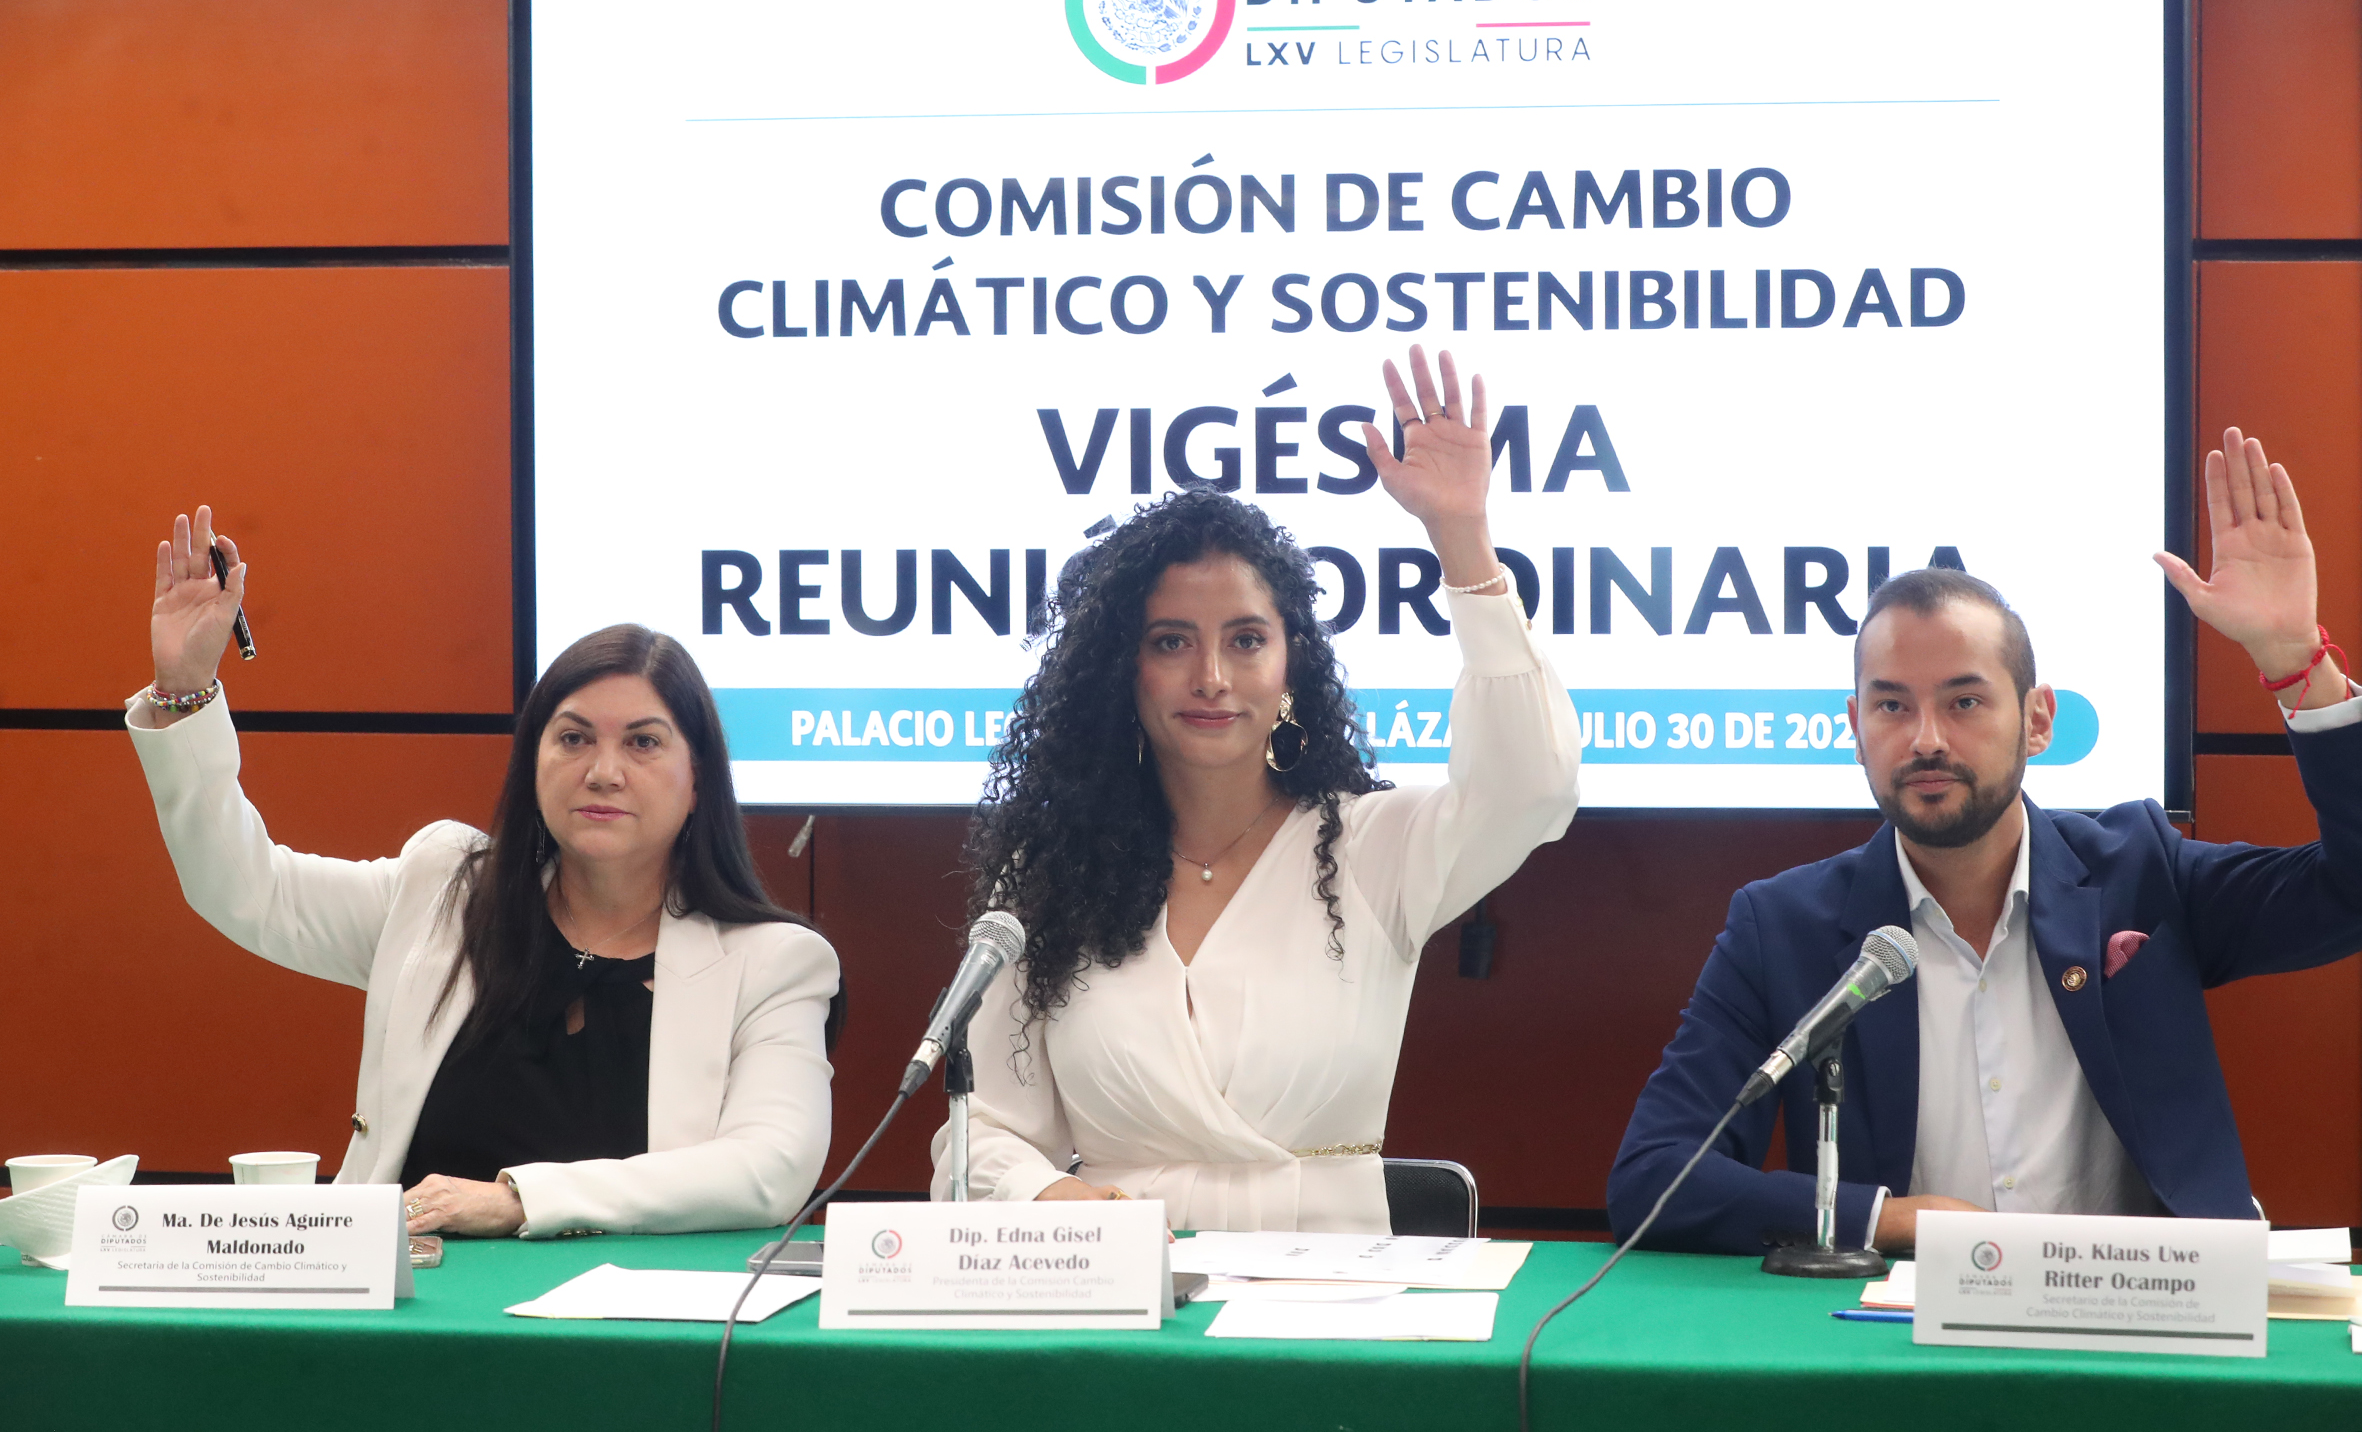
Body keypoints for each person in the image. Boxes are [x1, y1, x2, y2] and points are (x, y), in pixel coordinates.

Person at [1608, 428, 2362, 1255]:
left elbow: (2349, 892)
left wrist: (2296, 661)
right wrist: (1894, 1218)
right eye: (1892, 706)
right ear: (1856, 727)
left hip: (2146, 1309)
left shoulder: (2141, 872)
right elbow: (1656, 1175)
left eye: (1964, 702)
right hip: (1900, 1319)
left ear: (2037, 720)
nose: (1926, 738)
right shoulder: (1783, 928)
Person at [931, 346, 1582, 1232]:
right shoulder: (1053, 876)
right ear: (1122, 671)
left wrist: (1462, 539)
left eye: (1245, 639)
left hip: (1330, 1287)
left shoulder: (1371, 847)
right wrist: (1056, 1196)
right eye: (1171, 641)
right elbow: (981, 1135)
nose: (1211, 675)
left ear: (1290, 667)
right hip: (1119, 1284)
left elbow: (1533, 785)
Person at [129, 507, 840, 1238]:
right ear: (532, 762)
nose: (603, 771)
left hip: (637, 1309)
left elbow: (769, 1167)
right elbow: (249, 892)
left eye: (643, 742)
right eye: (573, 738)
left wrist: (519, 1199)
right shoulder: (445, 891)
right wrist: (185, 688)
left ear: (698, 780)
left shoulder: (773, 964)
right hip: (412, 1299)